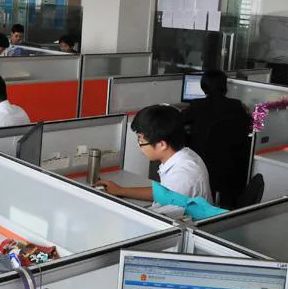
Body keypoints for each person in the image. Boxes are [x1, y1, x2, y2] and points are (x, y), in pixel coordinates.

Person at [100, 105, 212, 203]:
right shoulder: (184, 154)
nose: (139, 145)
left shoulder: (181, 175)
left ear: (162, 144)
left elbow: (165, 215)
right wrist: (120, 190)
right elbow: (164, 193)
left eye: (141, 140)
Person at [181, 69, 251, 208]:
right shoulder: (236, 105)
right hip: (232, 164)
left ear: (203, 87)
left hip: (205, 162)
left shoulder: (197, 105)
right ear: (224, 86)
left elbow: (179, 120)